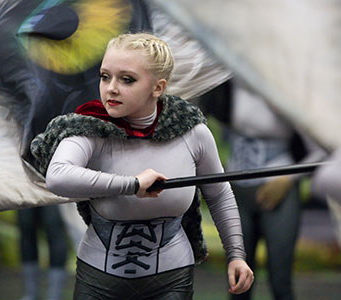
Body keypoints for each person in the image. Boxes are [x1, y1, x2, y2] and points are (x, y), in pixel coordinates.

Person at [30, 33, 253, 299]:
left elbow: (219, 194)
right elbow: (57, 177)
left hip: (173, 280)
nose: (111, 88)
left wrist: (236, 255)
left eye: (127, 79)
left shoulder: (193, 132)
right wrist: (132, 184)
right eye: (105, 76)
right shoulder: (87, 126)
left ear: (158, 88)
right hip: (98, 280)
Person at [200, 79, 325, 300]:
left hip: (279, 190)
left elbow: (324, 145)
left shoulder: (287, 89)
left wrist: (287, 179)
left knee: (280, 281)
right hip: (236, 189)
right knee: (237, 282)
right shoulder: (224, 87)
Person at [17, 206, 68, 300]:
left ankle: (55, 295)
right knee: (26, 227)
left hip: (54, 194)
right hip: (26, 192)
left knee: (54, 229)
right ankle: (30, 294)